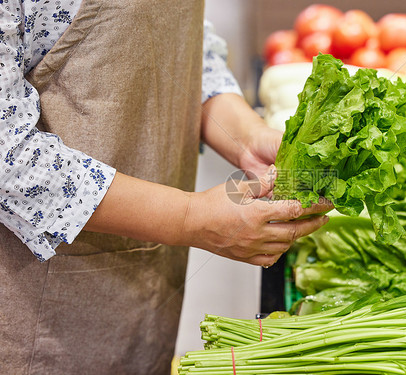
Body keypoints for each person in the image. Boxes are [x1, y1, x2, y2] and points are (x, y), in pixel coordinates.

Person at [0, 1, 332, 374]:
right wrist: (190, 217)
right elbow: (8, 155)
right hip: (38, 308)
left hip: (148, 292)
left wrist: (245, 136)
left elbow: (185, 51)